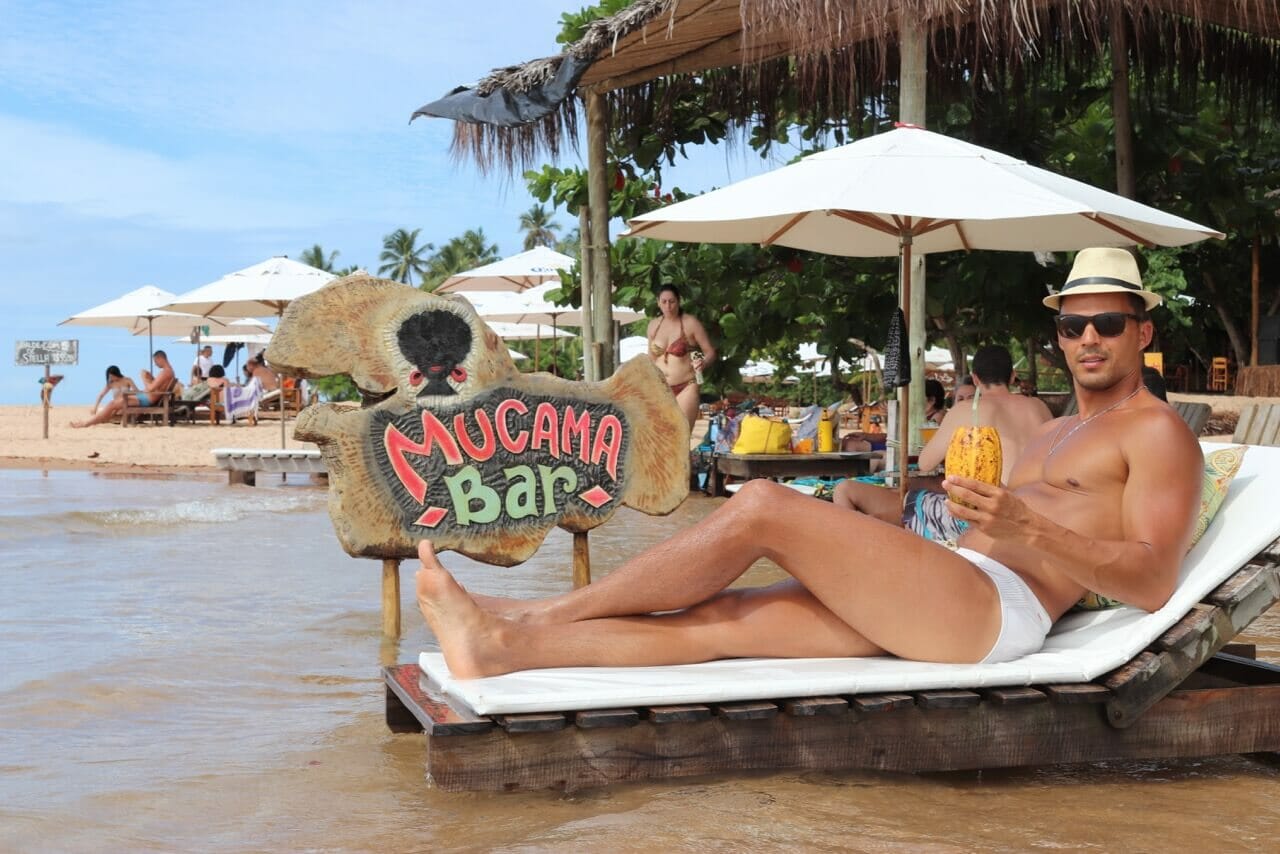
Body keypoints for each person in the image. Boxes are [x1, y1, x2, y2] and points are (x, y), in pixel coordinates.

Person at [414, 248, 1204, 678]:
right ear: (1057, 335)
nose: (1088, 339)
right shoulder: (1053, 428)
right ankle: (502, 645)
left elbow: (1153, 578)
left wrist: (1028, 524)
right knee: (718, 624)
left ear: (1142, 330)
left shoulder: (1157, 432)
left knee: (762, 507)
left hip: (996, 610)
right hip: (947, 579)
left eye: (1107, 322)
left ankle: (539, 612)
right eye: (1073, 325)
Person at [832, 345, 1054, 531]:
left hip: (984, 517)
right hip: (1036, 512)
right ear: (1013, 376)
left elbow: (925, 462)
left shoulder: (969, 409)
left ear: (975, 379)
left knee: (859, 493)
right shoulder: (1039, 407)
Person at [647, 283, 716, 428]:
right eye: (664, 302)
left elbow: (710, 352)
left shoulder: (690, 323)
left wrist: (703, 362)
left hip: (686, 386)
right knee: (661, 436)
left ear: (679, 301)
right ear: (658, 303)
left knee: (681, 434)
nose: (668, 306)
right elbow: (651, 358)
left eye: (672, 301)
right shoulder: (653, 325)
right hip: (660, 387)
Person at [72, 352, 175, 428]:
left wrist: (144, 378)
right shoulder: (168, 372)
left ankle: (86, 423)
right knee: (115, 402)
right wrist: (151, 378)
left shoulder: (165, 372)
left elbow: (151, 388)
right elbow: (155, 387)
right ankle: (98, 420)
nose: (155, 364)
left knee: (112, 404)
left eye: (155, 361)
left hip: (146, 399)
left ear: (160, 358)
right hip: (145, 397)